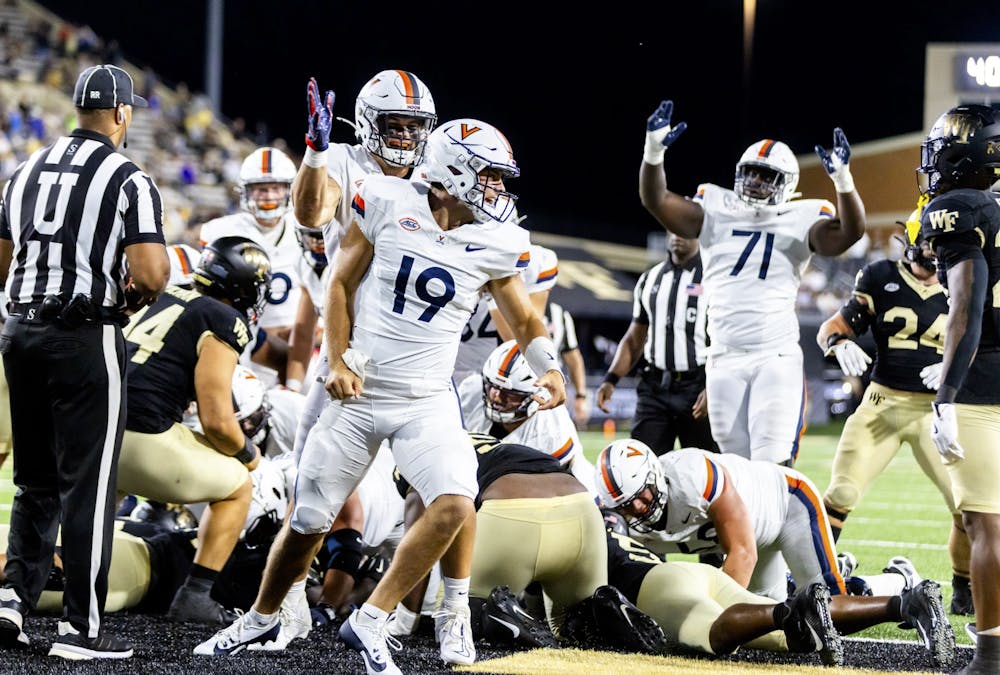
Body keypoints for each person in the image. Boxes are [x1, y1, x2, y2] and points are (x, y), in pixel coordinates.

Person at [195, 117, 566, 675]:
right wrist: (338, 359)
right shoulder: (387, 199)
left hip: (427, 398)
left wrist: (549, 366)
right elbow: (339, 283)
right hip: (361, 389)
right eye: (486, 175)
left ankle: (373, 616)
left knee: (455, 501)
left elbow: (523, 315)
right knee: (307, 523)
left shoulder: (499, 237)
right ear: (453, 174)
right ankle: (262, 614)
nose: (496, 188)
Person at [0, 63, 170, 659]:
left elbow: (2, 265)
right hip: (84, 332)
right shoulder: (127, 177)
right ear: (122, 113)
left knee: (34, 479)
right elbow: (152, 273)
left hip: (19, 331)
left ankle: (11, 603)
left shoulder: (23, 171)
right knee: (90, 486)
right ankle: (80, 628)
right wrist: (125, 299)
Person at [638, 100, 866, 465]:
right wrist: (654, 152)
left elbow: (850, 232)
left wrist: (843, 181)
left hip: (773, 356)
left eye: (767, 176)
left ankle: (780, 522)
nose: (757, 182)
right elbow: (656, 200)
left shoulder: (801, 215)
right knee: (734, 463)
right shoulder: (714, 206)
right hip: (723, 357)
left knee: (772, 463)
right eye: (752, 172)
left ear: (787, 184)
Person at [815, 218, 973, 616]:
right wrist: (837, 342)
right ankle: (816, 580)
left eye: (943, 242)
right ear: (912, 241)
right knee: (841, 495)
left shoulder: (967, 276)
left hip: (935, 412)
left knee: (965, 505)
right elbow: (833, 325)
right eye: (931, 241)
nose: (936, 250)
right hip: (881, 404)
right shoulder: (880, 274)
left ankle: (965, 587)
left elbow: (981, 343)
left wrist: (957, 369)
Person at [391, 432, 665, 655]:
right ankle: (594, 614)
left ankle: (498, 616)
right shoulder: (490, 444)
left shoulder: (419, 455)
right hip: (584, 514)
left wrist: (405, 619)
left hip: (515, 514)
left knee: (456, 623)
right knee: (573, 628)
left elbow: (420, 542)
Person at [116, 236, 271, 625]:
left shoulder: (165, 296)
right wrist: (250, 455)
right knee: (238, 485)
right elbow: (217, 421)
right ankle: (195, 596)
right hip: (140, 436)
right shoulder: (223, 319)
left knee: (101, 500)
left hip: (89, 429)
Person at [287, 70, 438, 455]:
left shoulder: (434, 178)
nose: (405, 134)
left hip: (415, 354)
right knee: (309, 482)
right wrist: (315, 152)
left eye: (414, 126)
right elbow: (311, 213)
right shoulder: (342, 160)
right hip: (348, 343)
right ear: (371, 122)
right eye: (394, 124)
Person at [602, 514, 954, 669]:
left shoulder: (590, 541)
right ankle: (904, 604)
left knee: (710, 637)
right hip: (691, 573)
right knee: (796, 638)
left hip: (658, 587)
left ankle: (789, 610)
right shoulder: (615, 536)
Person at [915, 103, 1000, 675]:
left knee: (985, 523)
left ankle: (991, 656)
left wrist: (948, 389)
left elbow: (967, 309)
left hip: (985, 382)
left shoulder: (958, 207)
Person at [596, 232, 713, 453]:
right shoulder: (649, 278)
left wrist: (714, 387)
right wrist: (611, 379)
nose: (678, 235)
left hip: (698, 387)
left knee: (706, 470)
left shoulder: (713, 278)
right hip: (655, 387)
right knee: (642, 464)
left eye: (685, 230)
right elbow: (634, 339)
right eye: (673, 228)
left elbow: (726, 339)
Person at [199, 146, 300, 386]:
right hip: (244, 338)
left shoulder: (306, 230)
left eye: (276, 188)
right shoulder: (221, 231)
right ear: (245, 192)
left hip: (301, 343)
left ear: (289, 190)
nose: (268, 196)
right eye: (261, 189)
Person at [459, 339, 596, 494]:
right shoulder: (470, 391)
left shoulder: (551, 428)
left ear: (537, 396)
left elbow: (559, 487)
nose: (496, 397)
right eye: (492, 387)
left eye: (508, 395)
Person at [452, 237, 558, 386]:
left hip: (506, 374)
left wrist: (495, 288)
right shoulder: (455, 251)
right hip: (454, 368)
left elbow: (523, 335)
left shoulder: (537, 261)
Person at [545, 301, 592, 428]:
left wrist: (580, 396)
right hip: (517, 388)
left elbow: (574, 359)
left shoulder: (559, 314)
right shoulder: (509, 305)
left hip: (552, 391)